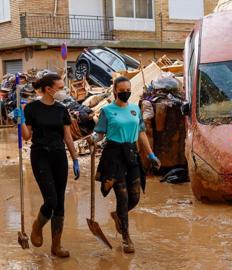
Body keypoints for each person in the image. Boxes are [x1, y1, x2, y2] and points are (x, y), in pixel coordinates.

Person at [89, 76, 160, 253]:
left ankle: (118, 215)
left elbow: (141, 133)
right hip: (114, 156)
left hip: (131, 154)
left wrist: (151, 154)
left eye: (128, 90)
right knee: (123, 197)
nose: (126, 93)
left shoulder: (135, 109)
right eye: (122, 91)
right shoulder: (107, 111)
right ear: (115, 91)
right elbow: (100, 133)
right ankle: (126, 238)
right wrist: (93, 139)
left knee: (134, 197)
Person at [14, 73, 80, 258]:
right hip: (40, 155)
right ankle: (37, 226)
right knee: (51, 199)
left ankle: (56, 246)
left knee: (59, 203)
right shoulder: (32, 108)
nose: (63, 90)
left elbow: (67, 136)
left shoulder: (61, 109)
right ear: (48, 89)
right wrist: (20, 121)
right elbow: (27, 136)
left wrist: (74, 158)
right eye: (60, 88)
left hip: (59, 155)